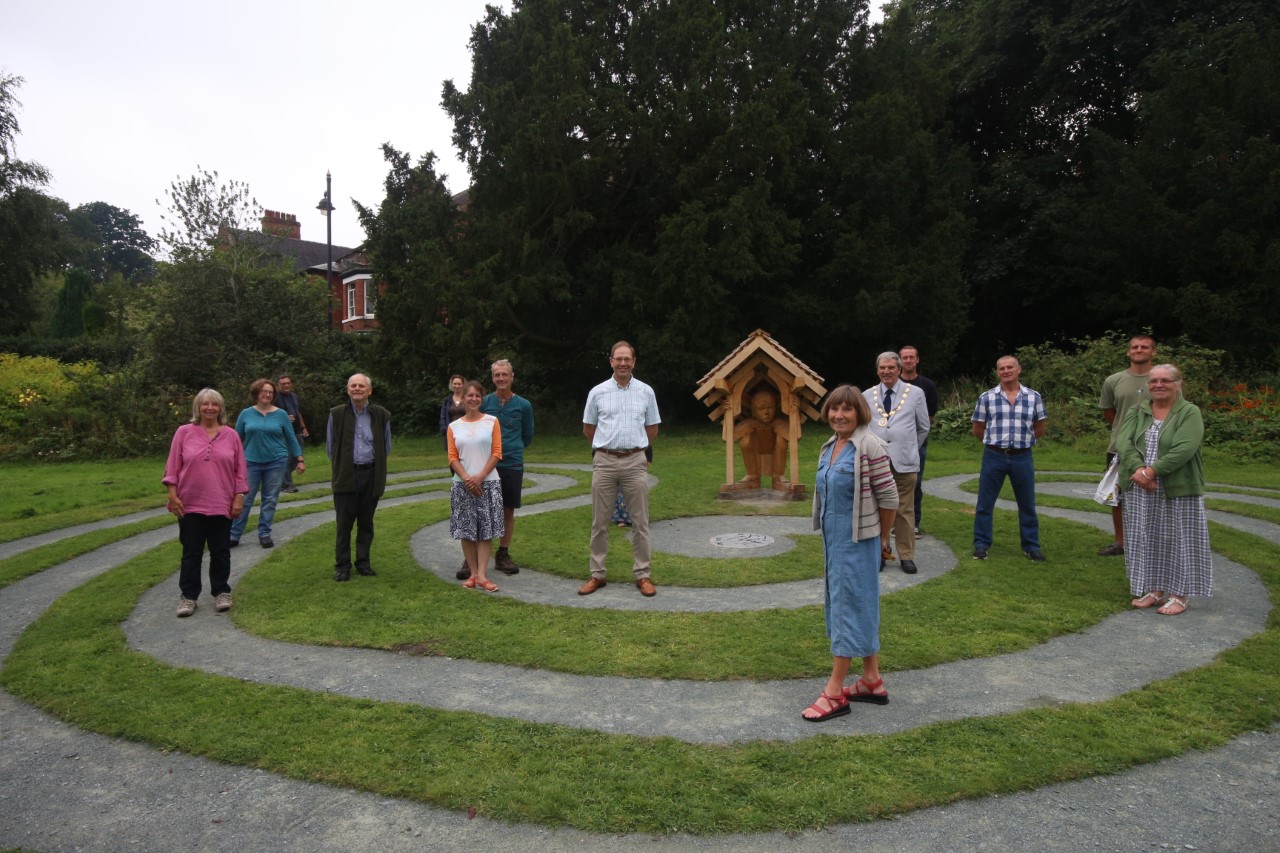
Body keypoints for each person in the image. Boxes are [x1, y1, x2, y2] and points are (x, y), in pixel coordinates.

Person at [802, 385, 898, 722]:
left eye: (847, 409)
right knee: (859, 604)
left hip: (858, 542)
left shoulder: (870, 445)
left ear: (859, 412)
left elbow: (890, 498)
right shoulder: (831, 445)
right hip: (835, 541)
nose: (839, 415)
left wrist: (882, 539)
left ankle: (834, 692)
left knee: (846, 609)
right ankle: (871, 680)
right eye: (834, 409)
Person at [1116, 364, 1211, 616]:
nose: (1158, 385)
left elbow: (1184, 448)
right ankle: (1155, 590)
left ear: (1178, 384)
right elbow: (1123, 442)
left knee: (1180, 538)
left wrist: (1151, 472)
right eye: (1153, 381)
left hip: (1177, 485)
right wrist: (1139, 470)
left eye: (1165, 380)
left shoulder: (1189, 412)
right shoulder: (1138, 411)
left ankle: (1179, 595)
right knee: (1147, 536)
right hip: (1140, 486)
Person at [580, 340, 661, 597]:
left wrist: (636, 449)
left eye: (627, 359)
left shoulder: (646, 392)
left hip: (635, 461)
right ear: (611, 361)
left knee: (640, 522)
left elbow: (652, 428)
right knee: (599, 522)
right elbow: (588, 429)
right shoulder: (597, 392)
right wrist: (607, 448)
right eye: (619, 358)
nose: (623, 363)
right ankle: (597, 574)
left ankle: (643, 574)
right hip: (604, 461)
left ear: (633, 362)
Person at [163, 389, 249, 617]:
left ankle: (221, 591)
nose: (210, 408)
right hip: (189, 503)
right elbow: (172, 467)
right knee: (191, 552)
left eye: (214, 404)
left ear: (221, 408)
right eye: (205, 404)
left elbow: (240, 471)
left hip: (221, 502)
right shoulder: (183, 433)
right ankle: (188, 596)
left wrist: (239, 497)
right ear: (198, 407)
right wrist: (172, 495)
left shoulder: (231, 435)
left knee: (220, 551)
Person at [971, 355, 1048, 561]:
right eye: (1002, 368)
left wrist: (1023, 441)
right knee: (985, 503)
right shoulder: (987, 397)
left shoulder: (1033, 397)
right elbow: (978, 428)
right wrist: (994, 442)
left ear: (1018, 369)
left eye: (1010, 367)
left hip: (1022, 456)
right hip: (994, 455)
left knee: (1027, 504)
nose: (1006, 371)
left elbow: (1039, 428)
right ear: (997, 372)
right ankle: (981, 544)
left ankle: (1031, 546)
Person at [863, 352, 930, 574]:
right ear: (877, 370)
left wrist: (908, 447)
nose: (887, 371)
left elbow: (923, 427)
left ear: (899, 370)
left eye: (891, 367)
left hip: (905, 463)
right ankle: (880, 553)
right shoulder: (866, 395)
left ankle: (906, 555)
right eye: (882, 368)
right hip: (876, 463)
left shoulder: (916, 393)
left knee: (904, 510)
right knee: (875, 510)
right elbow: (863, 428)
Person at [326, 373, 392, 582]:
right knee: (343, 525)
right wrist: (343, 467)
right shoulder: (337, 414)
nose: (357, 389)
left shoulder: (381, 414)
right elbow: (330, 447)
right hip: (346, 475)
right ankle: (342, 566)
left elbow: (386, 446)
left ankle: (363, 563)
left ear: (369, 390)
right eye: (353, 385)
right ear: (348, 390)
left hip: (371, 475)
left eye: (361, 386)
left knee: (366, 523)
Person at [1097, 334, 1156, 556]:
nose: (1139, 350)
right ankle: (1120, 542)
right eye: (1135, 347)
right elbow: (1109, 412)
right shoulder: (1113, 380)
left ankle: (1152, 541)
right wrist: (1125, 433)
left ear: (1153, 352)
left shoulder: (1162, 378)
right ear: (1128, 352)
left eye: (1144, 347)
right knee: (1117, 496)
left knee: (1155, 493)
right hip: (1119, 446)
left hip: (1155, 446)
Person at [230, 378, 305, 549]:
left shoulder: (281, 414)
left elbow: (291, 438)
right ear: (256, 393)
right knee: (245, 498)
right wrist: (231, 459)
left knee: (270, 499)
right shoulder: (246, 414)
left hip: (276, 461)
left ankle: (264, 533)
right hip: (250, 461)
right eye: (264, 391)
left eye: (271, 392)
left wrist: (299, 459)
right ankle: (234, 534)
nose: (267, 394)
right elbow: (235, 439)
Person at [448, 380, 505, 592]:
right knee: (467, 530)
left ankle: (482, 575)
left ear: (482, 399)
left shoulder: (492, 422)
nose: (473, 399)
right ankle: (472, 573)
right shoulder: (453, 427)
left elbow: (497, 452)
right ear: (463, 398)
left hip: (488, 483)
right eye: (469, 395)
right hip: (462, 485)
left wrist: (479, 477)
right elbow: (452, 456)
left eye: (477, 396)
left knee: (485, 531)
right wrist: (466, 478)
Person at [479, 359, 535, 576]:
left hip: (511, 462)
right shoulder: (485, 402)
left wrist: (511, 446)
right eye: (497, 375)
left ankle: (503, 553)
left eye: (504, 374)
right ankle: (472, 556)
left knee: (507, 510)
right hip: (485, 463)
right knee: (482, 508)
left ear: (512, 377)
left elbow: (527, 436)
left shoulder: (523, 405)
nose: (501, 378)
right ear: (492, 378)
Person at [899, 345, 939, 537]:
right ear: (900, 361)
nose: (908, 361)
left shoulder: (927, 386)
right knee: (890, 482)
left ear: (917, 360)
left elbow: (929, 417)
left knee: (915, 482)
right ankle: (893, 521)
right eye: (904, 357)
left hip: (917, 442)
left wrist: (915, 438)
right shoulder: (892, 384)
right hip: (893, 443)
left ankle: (913, 523)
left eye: (911, 357)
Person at [732, 388, 791, 489]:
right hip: (755, 451)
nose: (766, 412)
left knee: (782, 440)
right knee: (745, 441)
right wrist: (729, 413)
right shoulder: (747, 425)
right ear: (754, 412)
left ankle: (778, 475)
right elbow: (729, 437)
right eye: (761, 408)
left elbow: (795, 436)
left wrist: (795, 410)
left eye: (770, 407)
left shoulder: (780, 424)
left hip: (775, 451)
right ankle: (752, 475)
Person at [276, 374, 310, 493]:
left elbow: (298, 412)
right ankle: (286, 485)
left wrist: (303, 427)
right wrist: (284, 418)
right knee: (287, 457)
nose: (286, 385)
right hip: (282, 432)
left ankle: (279, 479)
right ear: (278, 385)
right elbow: (269, 414)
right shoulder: (275, 398)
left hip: (296, 431)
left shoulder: (294, 396)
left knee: (298, 457)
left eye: (288, 383)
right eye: (283, 384)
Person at [438, 374, 466, 452]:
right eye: (455, 384)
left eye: (459, 384)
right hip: (451, 433)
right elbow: (443, 417)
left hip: (466, 432)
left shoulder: (467, 399)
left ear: (463, 385)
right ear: (451, 385)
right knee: (453, 456)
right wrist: (444, 429)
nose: (457, 386)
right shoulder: (447, 401)